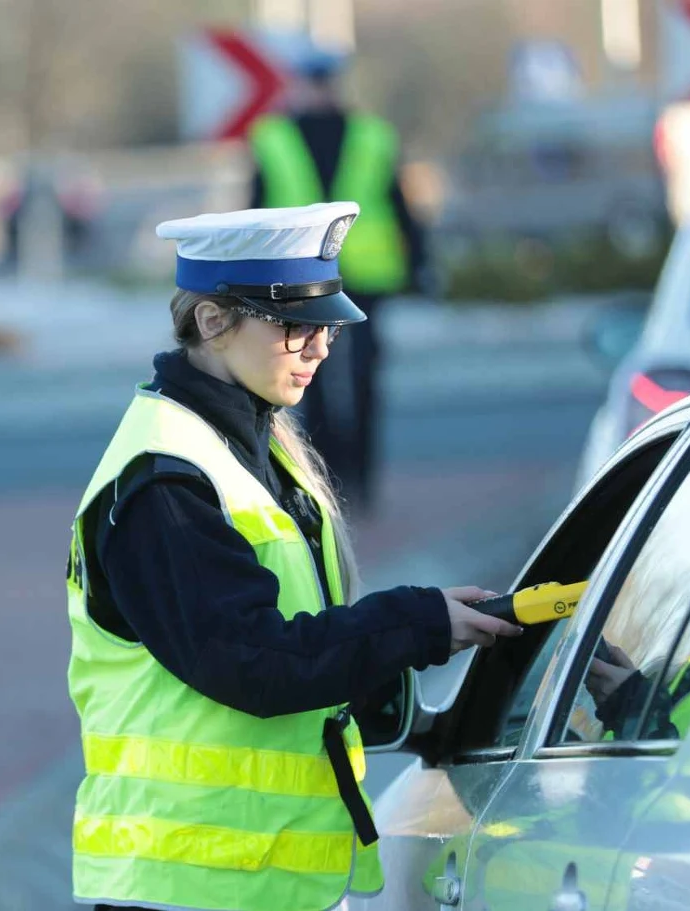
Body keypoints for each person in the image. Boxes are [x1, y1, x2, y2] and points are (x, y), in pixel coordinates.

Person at [66, 202, 519, 911]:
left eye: (329, 324)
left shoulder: (254, 447)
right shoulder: (165, 478)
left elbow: (300, 635)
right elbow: (255, 660)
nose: (321, 347)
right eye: (295, 326)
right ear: (214, 322)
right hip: (183, 883)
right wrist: (416, 622)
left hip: (252, 877)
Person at [247, 47, 427, 514]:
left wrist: (420, 260)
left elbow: (400, 205)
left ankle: (360, 479)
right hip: (301, 276)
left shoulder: (373, 136)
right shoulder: (272, 139)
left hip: (359, 274)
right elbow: (257, 210)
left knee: (362, 376)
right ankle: (330, 479)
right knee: (310, 378)